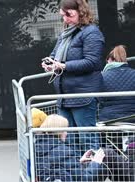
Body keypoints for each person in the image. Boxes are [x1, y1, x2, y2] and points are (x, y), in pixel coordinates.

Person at [41, 0, 105, 153]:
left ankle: (94, 175)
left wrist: (64, 66)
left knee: (87, 139)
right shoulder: (66, 33)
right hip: (65, 96)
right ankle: (77, 175)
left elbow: (92, 62)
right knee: (68, 140)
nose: (66, 19)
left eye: (69, 15)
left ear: (81, 12)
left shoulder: (92, 32)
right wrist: (49, 63)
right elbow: (54, 55)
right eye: (63, 15)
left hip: (84, 94)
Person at [35, 114, 103, 182]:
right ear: (59, 132)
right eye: (64, 130)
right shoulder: (62, 150)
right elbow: (83, 179)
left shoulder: (37, 146)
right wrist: (96, 163)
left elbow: (60, 168)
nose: (66, 133)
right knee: (106, 155)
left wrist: (79, 161)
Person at [99, 45, 135, 123]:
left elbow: (99, 99)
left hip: (109, 119)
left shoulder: (101, 76)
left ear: (109, 60)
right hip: (132, 118)